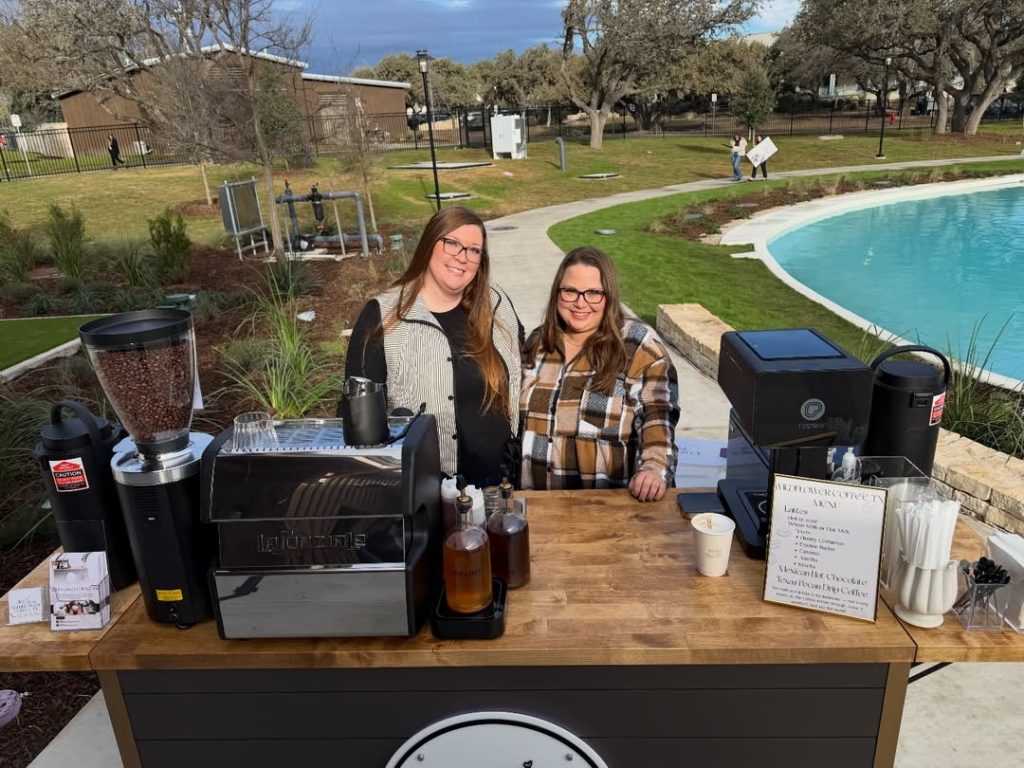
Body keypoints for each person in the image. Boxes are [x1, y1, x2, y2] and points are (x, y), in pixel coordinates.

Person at [344, 206, 523, 487]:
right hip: (430, 491)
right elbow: (359, 421)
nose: (462, 258)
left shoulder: (497, 305)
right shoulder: (384, 316)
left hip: (502, 484)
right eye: (452, 243)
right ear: (430, 244)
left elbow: (528, 365)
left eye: (473, 250)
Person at [519, 247, 680, 501]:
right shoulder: (538, 343)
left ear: (609, 296)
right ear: (557, 294)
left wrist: (652, 469)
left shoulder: (638, 346)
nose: (580, 302)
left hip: (608, 511)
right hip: (539, 508)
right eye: (570, 291)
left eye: (593, 293)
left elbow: (657, 417)